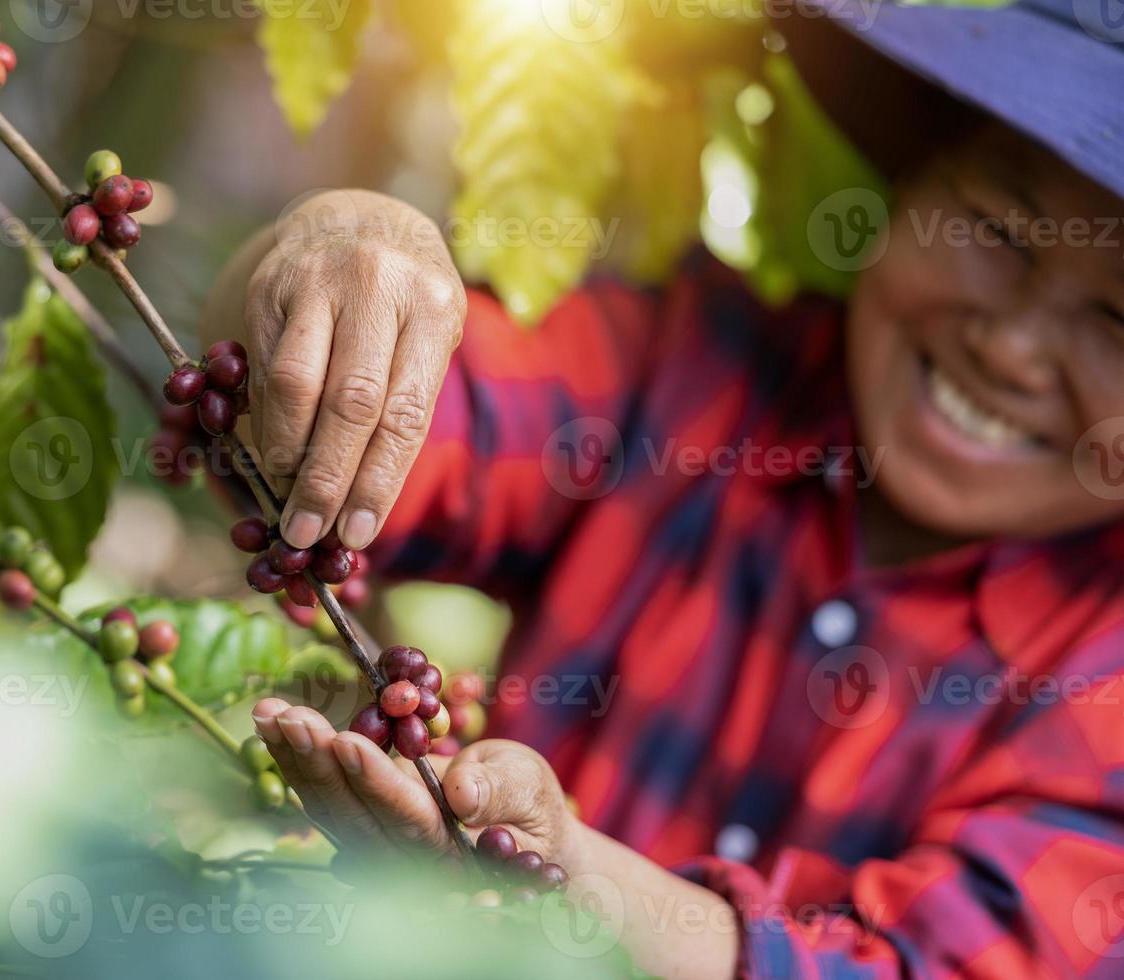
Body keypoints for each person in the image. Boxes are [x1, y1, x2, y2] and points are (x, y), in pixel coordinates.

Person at [203, 2, 1124, 975]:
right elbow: (335, 438)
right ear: (905, 191)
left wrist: (563, 872)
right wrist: (330, 268)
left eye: (1117, 317)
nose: (1009, 345)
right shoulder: (696, 374)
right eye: (993, 228)